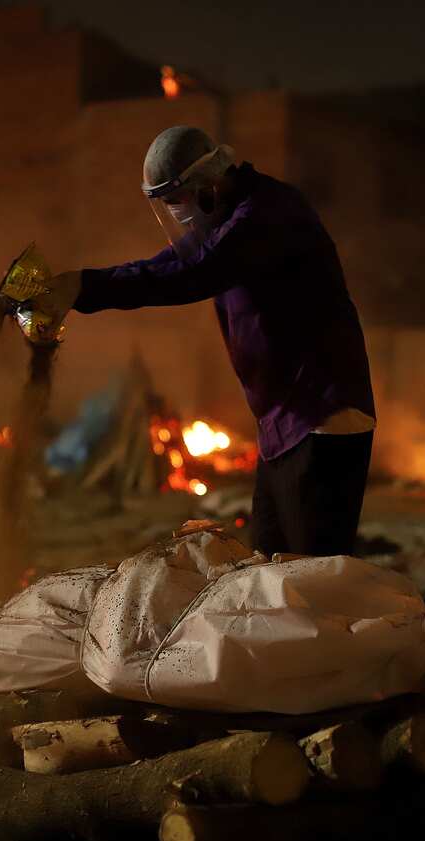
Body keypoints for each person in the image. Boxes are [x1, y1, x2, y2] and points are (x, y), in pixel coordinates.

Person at [36, 126, 376, 557]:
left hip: (322, 416)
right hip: (285, 424)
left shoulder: (266, 214)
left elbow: (191, 274)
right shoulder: (225, 221)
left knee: (312, 573)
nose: (175, 211)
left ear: (208, 186)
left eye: (175, 199)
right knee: (271, 566)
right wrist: (77, 287)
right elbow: (168, 263)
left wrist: (83, 289)